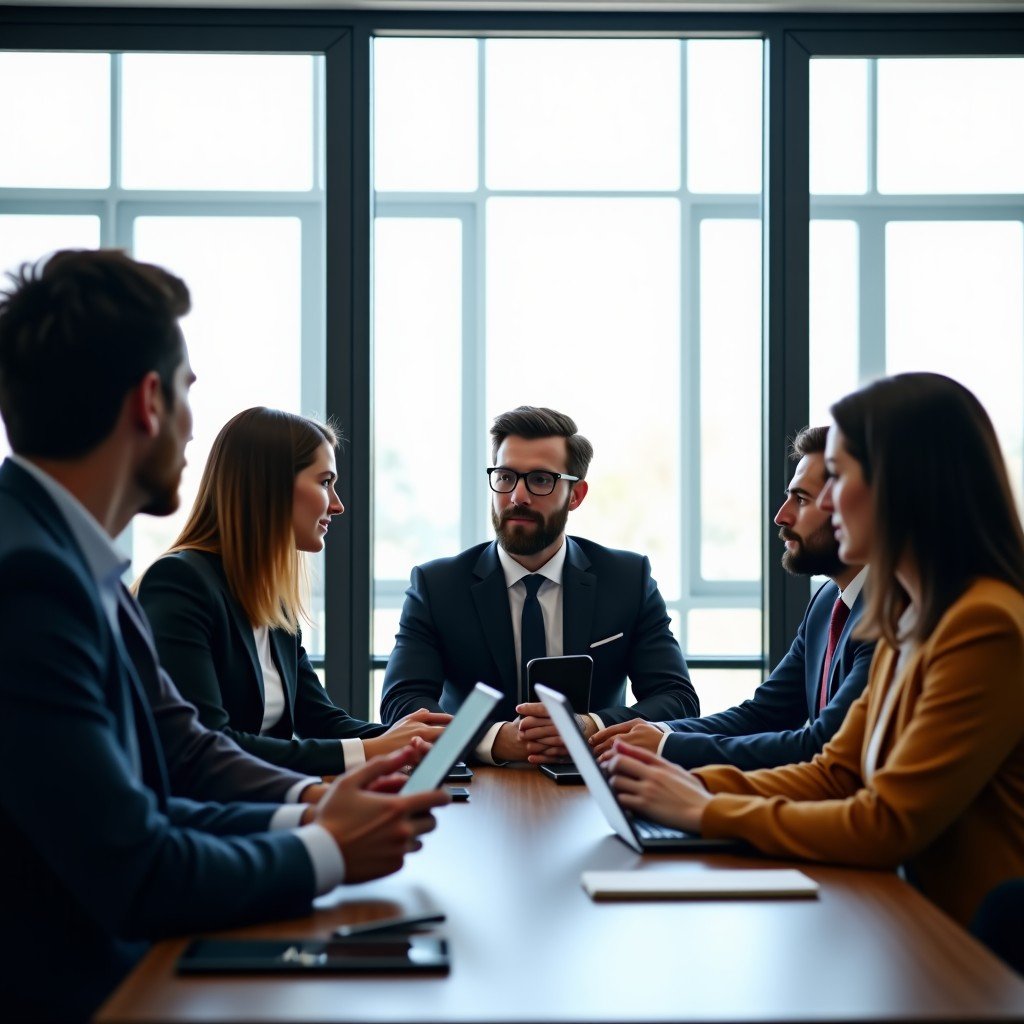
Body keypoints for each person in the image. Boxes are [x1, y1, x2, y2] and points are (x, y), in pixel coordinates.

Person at [0, 249, 449, 1020]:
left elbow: (179, 753)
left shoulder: (76, 564)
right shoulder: (29, 581)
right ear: (149, 402)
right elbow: (137, 861)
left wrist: (314, 811)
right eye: (186, 393)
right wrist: (327, 848)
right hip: (92, 994)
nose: (189, 428)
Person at [607, 373, 1024, 928]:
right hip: (898, 916)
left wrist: (706, 809)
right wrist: (686, 785)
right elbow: (835, 774)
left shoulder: (982, 622)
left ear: (901, 486)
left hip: (964, 948)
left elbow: (889, 823)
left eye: (839, 478)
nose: (825, 503)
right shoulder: (913, 615)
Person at [136, 407, 452, 778]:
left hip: (264, 805)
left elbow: (322, 722)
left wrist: (413, 739)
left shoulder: (273, 601)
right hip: (209, 818)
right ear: (269, 485)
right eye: (324, 482)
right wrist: (373, 749)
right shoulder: (180, 582)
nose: (337, 504)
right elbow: (210, 743)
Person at [381, 405, 698, 765]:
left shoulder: (627, 579)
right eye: (505, 477)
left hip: (594, 782)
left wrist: (588, 726)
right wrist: (495, 739)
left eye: (541, 480)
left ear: (575, 495)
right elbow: (401, 704)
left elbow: (677, 699)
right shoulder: (437, 586)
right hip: (474, 782)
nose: (518, 497)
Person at [590, 425, 874, 770]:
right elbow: (763, 714)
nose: (781, 516)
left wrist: (667, 746)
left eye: (801, 499)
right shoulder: (828, 601)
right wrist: (656, 732)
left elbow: (820, 745)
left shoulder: (887, 618)